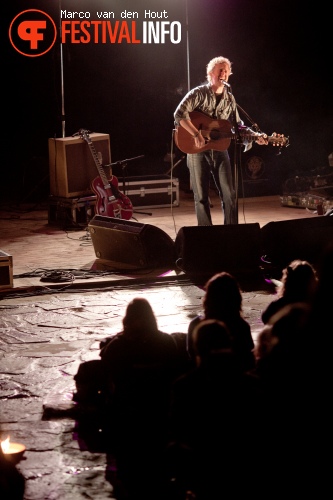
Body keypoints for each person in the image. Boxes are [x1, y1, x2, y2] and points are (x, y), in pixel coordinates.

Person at [174, 55, 268, 225]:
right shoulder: (198, 93)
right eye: (220, 70)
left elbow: (238, 126)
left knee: (230, 194)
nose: (223, 73)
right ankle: (207, 233)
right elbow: (179, 114)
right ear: (211, 73)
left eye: (226, 71)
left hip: (219, 149)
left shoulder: (230, 99)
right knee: (201, 196)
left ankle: (231, 232)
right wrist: (196, 134)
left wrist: (255, 136)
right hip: (196, 149)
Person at [187, 271, 255, 372]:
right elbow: (247, 359)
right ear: (236, 299)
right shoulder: (241, 326)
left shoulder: (196, 324)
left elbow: (192, 357)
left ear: (208, 298)